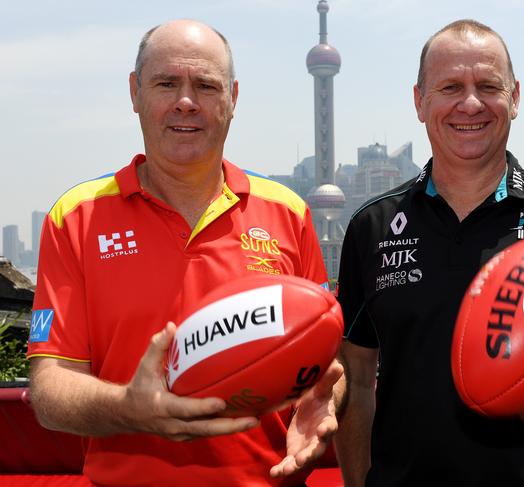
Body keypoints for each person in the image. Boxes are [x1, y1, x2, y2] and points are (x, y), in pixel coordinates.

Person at [333, 19, 524, 487]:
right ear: (420, 101)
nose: (471, 103)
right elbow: (357, 380)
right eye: (450, 87)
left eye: (488, 85)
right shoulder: (371, 227)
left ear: (515, 97)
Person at [26, 19, 341, 487]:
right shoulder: (75, 218)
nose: (186, 101)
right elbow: (49, 389)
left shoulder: (288, 211)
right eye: (166, 83)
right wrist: (130, 409)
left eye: (206, 85)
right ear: (135, 93)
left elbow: (326, 356)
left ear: (233, 98)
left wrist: (322, 403)